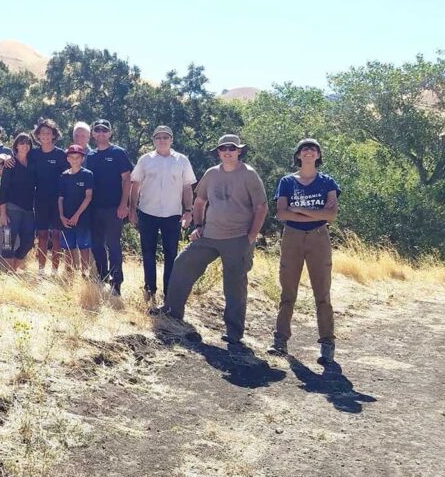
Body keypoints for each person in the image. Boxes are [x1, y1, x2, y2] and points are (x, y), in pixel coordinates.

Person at [155, 134, 268, 348]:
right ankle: (172, 312)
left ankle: (234, 332)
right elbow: (200, 201)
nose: (227, 152)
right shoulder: (212, 174)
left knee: (234, 284)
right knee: (183, 263)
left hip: (237, 238)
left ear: (239, 151)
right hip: (209, 235)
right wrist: (199, 227)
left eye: (232, 148)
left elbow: (261, 207)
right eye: (223, 148)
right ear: (218, 152)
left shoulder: (249, 175)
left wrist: (252, 236)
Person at [269, 138, 341, 365]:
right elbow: (281, 214)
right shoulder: (287, 182)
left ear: (318, 155)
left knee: (322, 292)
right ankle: (280, 339)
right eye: (304, 149)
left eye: (313, 149)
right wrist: (316, 212)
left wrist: (299, 208)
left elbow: (331, 216)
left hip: (319, 237)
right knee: (287, 290)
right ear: (298, 155)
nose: (309, 152)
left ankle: (327, 343)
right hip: (292, 236)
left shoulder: (327, 182)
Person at [129, 126, 197, 305]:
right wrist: (132, 210)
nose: (162, 140)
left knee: (171, 255)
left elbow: (187, 187)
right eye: (158, 137)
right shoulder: (145, 160)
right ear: (153, 140)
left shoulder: (182, 160)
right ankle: (149, 291)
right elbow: (135, 185)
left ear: (171, 139)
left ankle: (169, 294)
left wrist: (188, 211)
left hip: (172, 215)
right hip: (147, 213)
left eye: (166, 137)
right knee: (148, 253)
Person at [84, 119, 133, 295]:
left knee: (113, 245)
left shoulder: (119, 153)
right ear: (93, 134)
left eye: (105, 130)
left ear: (110, 133)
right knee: (96, 245)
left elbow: (127, 179)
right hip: (94, 208)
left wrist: (123, 205)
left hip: (114, 208)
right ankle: (102, 276)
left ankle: (116, 282)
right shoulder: (90, 156)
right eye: (98, 130)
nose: (101, 133)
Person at [30, 119, 68, 276]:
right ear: (37, 135)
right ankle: (41, 270)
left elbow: (67, 177)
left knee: (57, 235)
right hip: (39, 199)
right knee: (42, 235)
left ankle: (55, 270)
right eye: (42, 133)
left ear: (54, 135)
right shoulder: (33, 154)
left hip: (58, 201)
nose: (45, 135)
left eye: (48, 133)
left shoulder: (60, 154)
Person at [0, 133, 37, 271]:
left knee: (28, 243)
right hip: (11, 208)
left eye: (27, 143)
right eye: (21, 143)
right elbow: (3, 190)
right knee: (8, 242)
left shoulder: (33, 163)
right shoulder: (10, 164)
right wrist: (3, 213)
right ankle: (6, 274)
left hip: (28, 210)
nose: (25, 145)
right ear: (16, 146)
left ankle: (13, 269)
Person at [58, 145, 94, 277]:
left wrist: (77, 215)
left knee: (84, 247)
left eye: (77, 157)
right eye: (71, 157)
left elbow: (88, 197)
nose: (74, 160)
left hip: (83, 218)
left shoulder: (87, 174)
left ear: (82, 158)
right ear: (68, 159)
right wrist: (61, 216)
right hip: (66, 218)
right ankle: (69, 274)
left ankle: (85, 274)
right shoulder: (63, 176)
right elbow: (60, 198)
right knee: (68, 247)